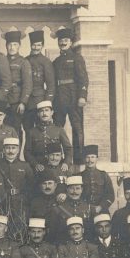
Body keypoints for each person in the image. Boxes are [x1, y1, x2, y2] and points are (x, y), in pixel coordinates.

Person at [52, 27, 89, 166]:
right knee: (57, 130)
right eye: (61, 40)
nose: (63, 43)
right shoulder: (56, 61)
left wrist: (83, 96)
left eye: (66, 40)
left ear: (70, 42)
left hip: (74, 98)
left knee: (77, 128)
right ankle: (58, 159)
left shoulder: (77, 58)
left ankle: (79, 160)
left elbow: (83, 79)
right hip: (59, 99)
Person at [0, 137, 34, 244]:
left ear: (18, 149)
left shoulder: (25, 166)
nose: (10, 151)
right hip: (3, 203)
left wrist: (23, 198)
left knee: (20, 231)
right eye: (7, 148)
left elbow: (32, 187)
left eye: (13, 148)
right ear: (3, 149)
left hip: (21, 205)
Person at [24, 100, 72, 171]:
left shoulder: (59, 130)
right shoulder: (32, 132)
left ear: (52, 112)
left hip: (56, 167)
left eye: (47, 110)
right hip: (39, 168)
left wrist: (66, 163)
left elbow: (68, 149)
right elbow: (27, 152)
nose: (44, 113)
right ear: (38, 114)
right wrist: (35, 164)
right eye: (41, 111)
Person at [25, 29, 56, 131]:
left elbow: (51, 85)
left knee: (40, 129)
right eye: (34, 45)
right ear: (30, 45)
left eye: (39, 45)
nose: (36, 48)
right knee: (28, 128)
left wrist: (47, 102)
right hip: (26, 100)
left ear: (42, 46)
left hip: (40, 100)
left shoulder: (46, 62)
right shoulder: (25, 60)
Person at [3, 30, 33, 135]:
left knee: (16, 130)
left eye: (15, 44)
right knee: (5, 130)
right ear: (6, 46)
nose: (12, 47)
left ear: (19, 46)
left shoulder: (23, 62)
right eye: (9, 44)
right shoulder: (2, 60)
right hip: (4, 101)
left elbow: (28, 84)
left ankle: (18, 152)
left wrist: (23, 102)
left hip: (17, 101)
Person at [81, 145, 115, 214]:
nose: (90, 160)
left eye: (92, 157)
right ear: (84, 159)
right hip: (85, 212)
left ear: (97, 159)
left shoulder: (104, 175)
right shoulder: (79, 176)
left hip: (102, 211)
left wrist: (101, 207)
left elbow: (111, 195)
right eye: (87, 157)